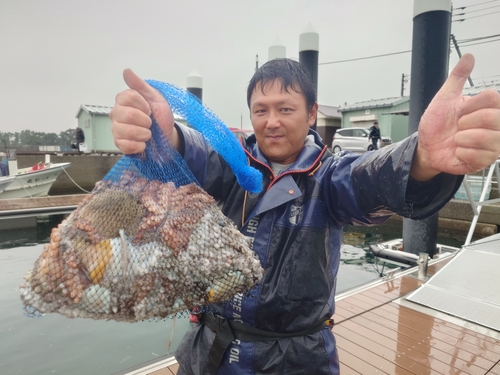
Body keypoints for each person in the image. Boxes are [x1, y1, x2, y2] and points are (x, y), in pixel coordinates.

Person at [110, 54, 500, 375]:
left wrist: (422, 159)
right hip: (208, 353)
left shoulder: (329, 177)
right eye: (260, 110)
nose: (271, 121)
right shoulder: (230, 166)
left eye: (285, 108)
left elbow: (368, 179)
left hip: (294, 360)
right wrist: (166, 138)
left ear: (311, 113)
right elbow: (196, 155)